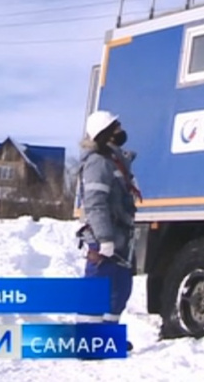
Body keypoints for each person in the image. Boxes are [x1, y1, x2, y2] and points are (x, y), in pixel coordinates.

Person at [75, 109, 143, 350]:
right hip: (105, 238)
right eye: (116, 127)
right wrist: (104, 239)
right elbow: (95, 203)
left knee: (120, 290)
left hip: (121, 237)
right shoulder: (97, 163)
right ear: (106, 134)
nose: (121, 130)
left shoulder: (115, 160)